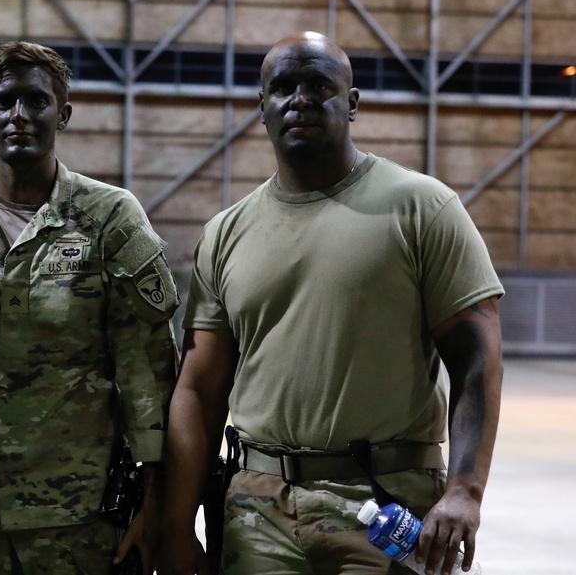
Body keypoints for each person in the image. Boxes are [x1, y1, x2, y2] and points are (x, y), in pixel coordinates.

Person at [160, 31, 504, 575]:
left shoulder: (422, 208)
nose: (300, 99)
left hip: (387, 506)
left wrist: (465, 490)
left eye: (320, 85)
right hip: (257, 510)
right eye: (283, 87)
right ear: (263, 106)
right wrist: (176, 527)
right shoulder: (225, 233)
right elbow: (199, 390)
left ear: (352, 102)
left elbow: (476, 358)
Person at [0, 41, 180, 575]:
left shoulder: (108, 219)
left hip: (79, 516)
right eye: (4, 102)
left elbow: (149, 373)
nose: (19, 116)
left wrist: (155, 505)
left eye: (36, 102)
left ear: (61, 113)